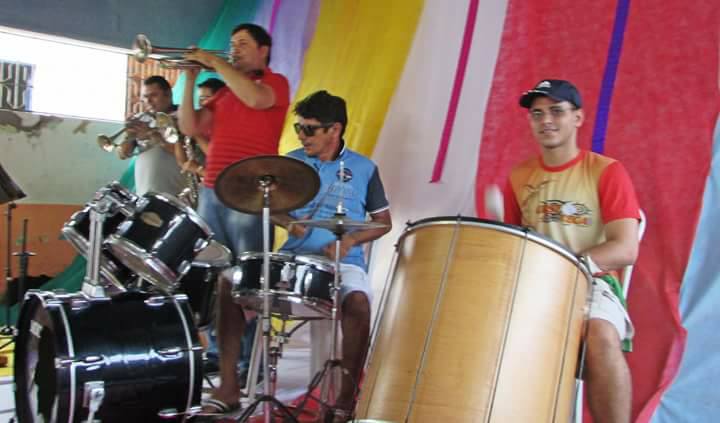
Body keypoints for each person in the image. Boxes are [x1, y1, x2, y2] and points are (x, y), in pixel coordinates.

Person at [204, 90, 392, 420]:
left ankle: (345, 401)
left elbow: (383, 222)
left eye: (309, 129)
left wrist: (349, 241)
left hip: (342, 263)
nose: (301, 135)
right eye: (298, 128)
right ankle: (229, 387)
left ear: (334, 129)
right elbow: (265, 205)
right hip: (292, 259)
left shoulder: (364, 168)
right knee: (228, 282)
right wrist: (287, 222)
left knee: (359, 303)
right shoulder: (287, 164)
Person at [502, 79, 640, 423]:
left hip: (593, 282)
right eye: (537, 114)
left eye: (556, 111)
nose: (546, 120)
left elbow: (625, 248)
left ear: (577, 118)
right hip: (532, 286)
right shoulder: (519, 176)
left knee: (600, 334)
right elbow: (514, 245)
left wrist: (565, 267)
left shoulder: (606, 171)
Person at [177, 23, 290, 403]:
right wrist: (188, 80)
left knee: (250, 288)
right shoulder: (224, 93)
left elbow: (256, 100)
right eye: (231, 44)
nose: (234, 49)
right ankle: (228, 382)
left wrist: (213, 61)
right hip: (212, 194)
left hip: (250, 195)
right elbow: (189, 126)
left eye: (242, 44)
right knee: (222, 288)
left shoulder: (275, 84)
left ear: (264, 50)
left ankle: (252, 370)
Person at [118, 75, 185, 196]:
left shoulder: (183, 116)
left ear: (168, 94)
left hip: (174, 196)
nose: (148, 101)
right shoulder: (142, 119)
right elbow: (123, 154)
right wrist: (129, 135)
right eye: (145, 96)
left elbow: (185, 155)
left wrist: (151, 134)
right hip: (143, 195)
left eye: (153, 95)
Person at [174, 77, 227, 179]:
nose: (201, 103)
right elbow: (183, 163)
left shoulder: (224, 125)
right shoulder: (204, 124)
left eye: (205, 98)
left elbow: (216, 155)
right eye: (200, 99)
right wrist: (178, 134)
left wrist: (195, 131)